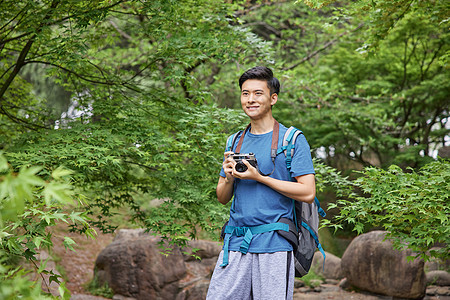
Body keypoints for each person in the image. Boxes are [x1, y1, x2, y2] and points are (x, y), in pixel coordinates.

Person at [206, 66, 316, 300]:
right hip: (235, 242)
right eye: (245, 93)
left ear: (272, 98)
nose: (250, 99)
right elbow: (222, 197)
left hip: (274, 243)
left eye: (258, 93)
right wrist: (228, 177)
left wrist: (260, 178)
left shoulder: (293, 140)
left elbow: (307, 192)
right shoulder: (234, 141)